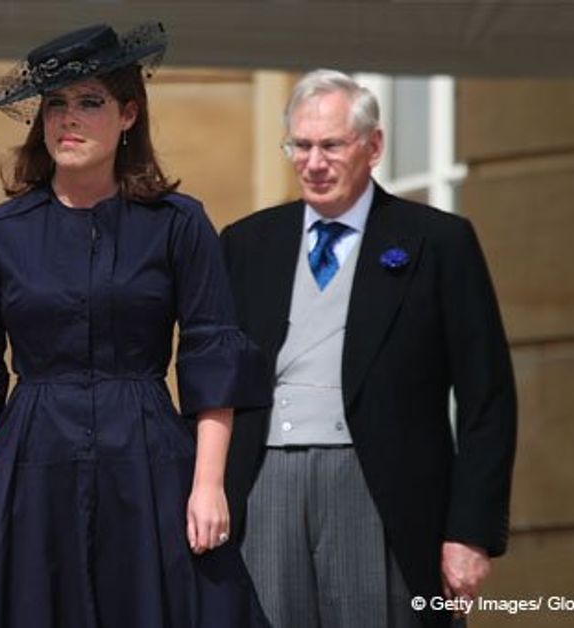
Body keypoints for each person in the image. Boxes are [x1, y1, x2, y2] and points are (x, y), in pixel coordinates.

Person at [0, 22, 271, 628]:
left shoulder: (179, 224)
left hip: (149, 464)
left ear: (129, 114)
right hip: (31, 467)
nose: (67, 120)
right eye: (55, 105)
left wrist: (209, 484)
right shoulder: (0, 233)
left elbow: (212, 355)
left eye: (89, 102)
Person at [220, 70, 517, 628]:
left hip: (381, 487)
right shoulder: (246, 243)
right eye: (300, 146)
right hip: (264, 487)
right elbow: (215, 380)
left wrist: (470, 532)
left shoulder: (438, 242)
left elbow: (488, 398)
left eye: (331, 145)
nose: (313, 162)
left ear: (373, 146)